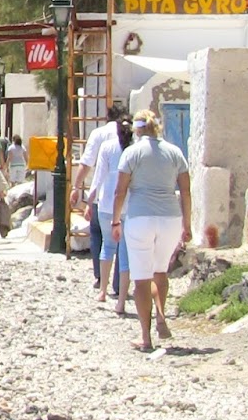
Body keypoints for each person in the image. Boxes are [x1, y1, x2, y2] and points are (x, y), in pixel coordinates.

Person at [110, 109, 191, 353]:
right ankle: (161, 314)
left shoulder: (132, 153)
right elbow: (186, 191)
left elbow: (120, 191)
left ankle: (146, 337)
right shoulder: (174, 152)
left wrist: (115, 221)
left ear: (136, 130)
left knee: (142, 279)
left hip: (140, 218)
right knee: (160, 271)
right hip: (170, 218)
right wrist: (187, 224)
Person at [72, 104, 127, 297]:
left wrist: (77, 187)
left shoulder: (99, 134)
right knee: (123, 244)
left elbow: (86, 163)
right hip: (126, 198)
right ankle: (119, 285)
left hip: (103, 196)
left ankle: (100, 278)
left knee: (99, 235)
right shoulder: (130, 138)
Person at [90, 115, 134, 315]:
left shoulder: (107, 147)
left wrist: (89, 199)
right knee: (125, 254)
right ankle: (122, 300)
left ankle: (102, 290)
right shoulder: (135, 149)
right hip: (130, 206)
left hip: (107, 204)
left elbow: (98, 176)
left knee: (107, 247)